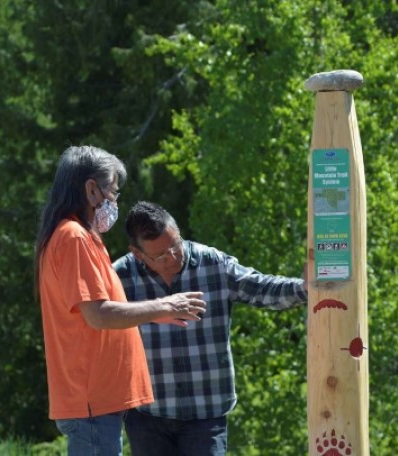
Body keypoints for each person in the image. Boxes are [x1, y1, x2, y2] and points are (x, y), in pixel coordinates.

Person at [34, 146, 207, 456]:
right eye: (112, 192)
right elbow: (98, 315)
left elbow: (99, 311)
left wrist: (155, 314)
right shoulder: (73, 237)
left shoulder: (79, 237)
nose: (114, 202)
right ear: (91, 189)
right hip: (91, 403)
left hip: (98, 403)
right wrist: (165, 305)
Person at [112, 201, 308, 455]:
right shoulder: (120, 276)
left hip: (206, 414)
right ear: (138, 254)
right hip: (147, 415)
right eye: (160, 255)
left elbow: (262, 288)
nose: (173, 257)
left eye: (175, 244)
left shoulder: (213, 263)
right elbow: (96, 323)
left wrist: (304, 288)